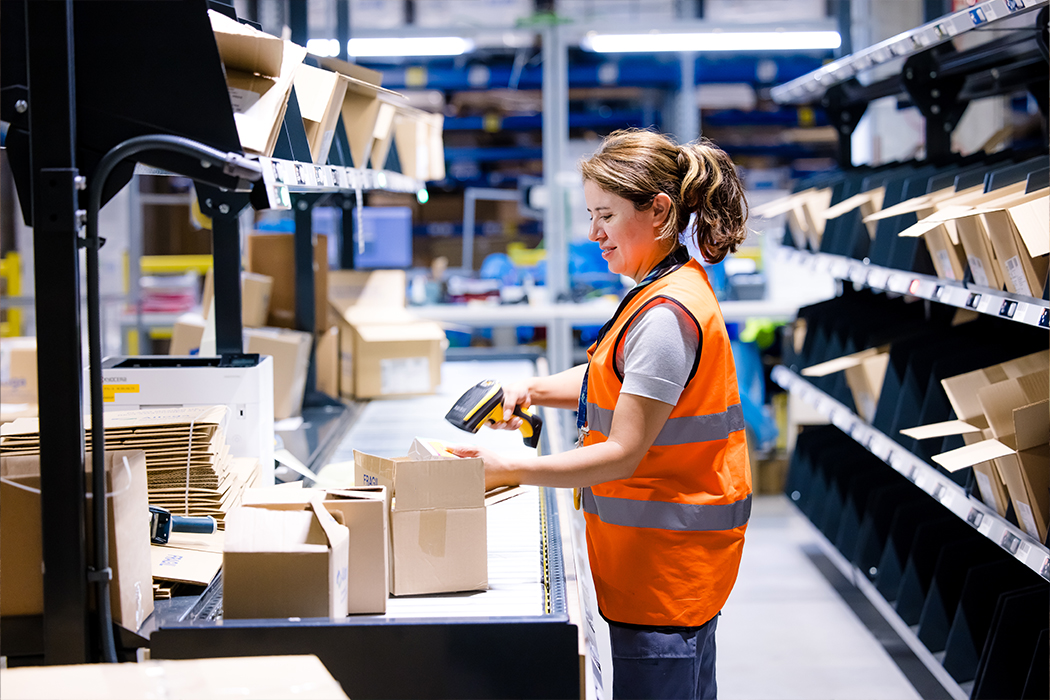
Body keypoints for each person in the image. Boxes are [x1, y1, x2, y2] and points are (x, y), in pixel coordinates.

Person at [449, 128, 752, 700]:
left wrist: (509, 467)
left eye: (606, 216)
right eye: (591, 215)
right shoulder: (661, 286)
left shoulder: (665, 314)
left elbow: (622, 452)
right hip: (656, 563)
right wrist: (530, 390)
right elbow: (612, 382)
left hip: (665, 572)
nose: (595, 235)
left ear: (659, 210)